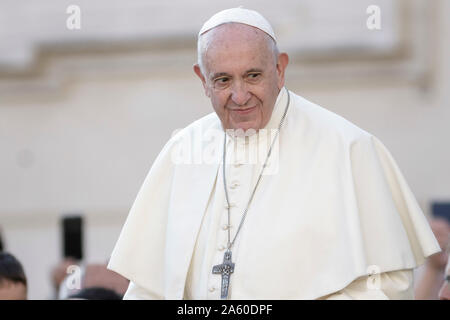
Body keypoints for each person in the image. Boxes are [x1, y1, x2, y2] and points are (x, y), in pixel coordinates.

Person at [107, 7, 441, 299]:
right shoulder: (182, 151)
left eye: (253, 76)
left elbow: (387, 285)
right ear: (202, 79)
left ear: (280, 69)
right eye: (223, 80)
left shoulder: (347, 147)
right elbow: (148, 288)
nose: (239, 96)